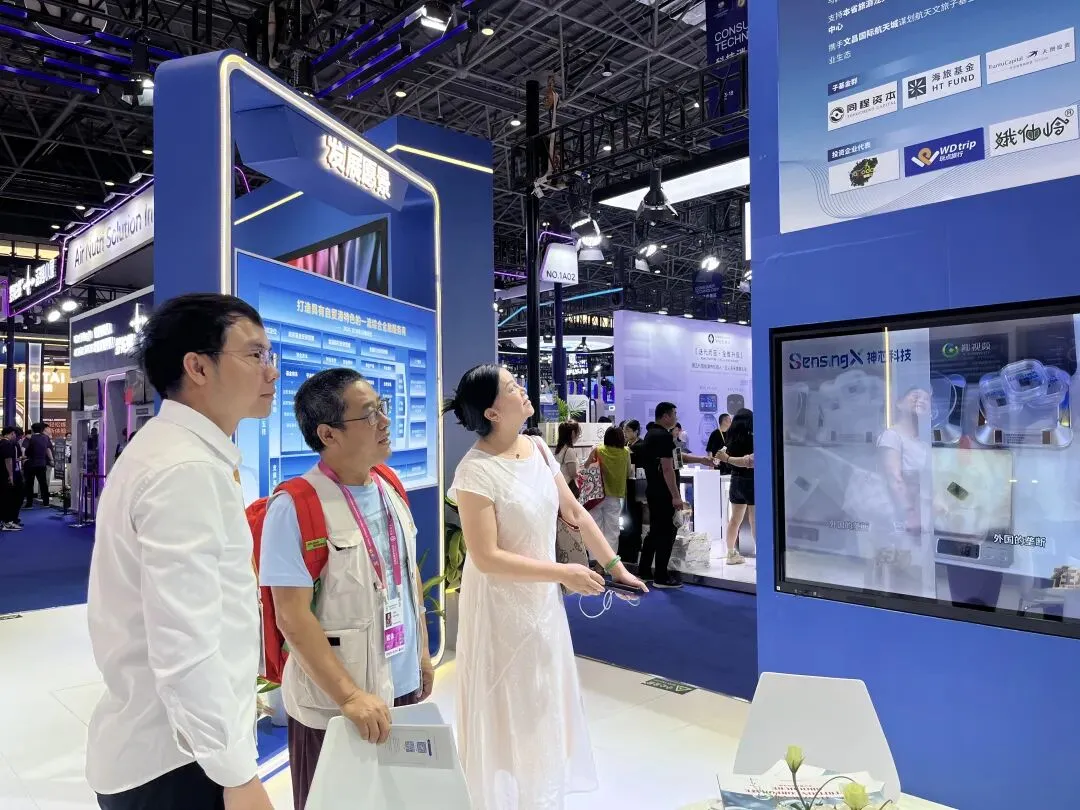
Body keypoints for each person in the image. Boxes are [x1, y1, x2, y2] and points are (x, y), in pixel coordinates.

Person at [86, 293, 279, 810]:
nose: (272, 371)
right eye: (255, 354)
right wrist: (236, 774)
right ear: (198, 367)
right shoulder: (183, 469)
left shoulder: (176, 453)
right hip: (177, 764)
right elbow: (185, 644)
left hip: (174, 750)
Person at [445, 364, 646, 810]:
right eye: (512, 386)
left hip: (540, 600)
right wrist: (561, 572)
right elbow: (486, 557)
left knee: (542, 699)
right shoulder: (474, 471)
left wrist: (615, 567)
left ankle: (541, 795)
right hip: (499, 606)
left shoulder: (537, 447)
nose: (523, 389)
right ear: (492, 412)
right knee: (509, 701)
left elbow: (574, 512)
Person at [260, 368, 433, 810]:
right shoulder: (295, 506)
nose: (385, 422)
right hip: (338, 706)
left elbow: (405, 574)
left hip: (401, 688)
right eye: (369, 413)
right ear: (328, 434)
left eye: (382, 409)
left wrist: (421, 654)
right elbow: (292, 616)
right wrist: (350, 696)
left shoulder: (389, 485)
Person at [638, 403, 718, 588]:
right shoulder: (664, 437)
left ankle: (644, 571)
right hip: (664, 492)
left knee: (655, 531)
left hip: (654, 490)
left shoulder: (651, 435)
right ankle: (661, 577)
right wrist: (675, 496)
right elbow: (668, 468)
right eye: (674, 414)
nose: (676, 417)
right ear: (665, 416)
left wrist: (701, 459)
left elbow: (675, 458)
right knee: (667, 533)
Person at [715, 408, 755, 565]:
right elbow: (750, 462)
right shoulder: (753, 437)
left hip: (735, 480)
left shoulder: (730, 437)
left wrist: (726, 459)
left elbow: (724, 458)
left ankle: (731, 553)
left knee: (734, 520)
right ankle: (763, 557)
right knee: (754, 521)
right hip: (751, 480)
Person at [585, 426, 632, 552]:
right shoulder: (626, 452)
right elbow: (629, 472)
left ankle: (596, 558)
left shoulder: (598, 450)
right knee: (612, 530)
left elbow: (586, 467)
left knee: (596, 528)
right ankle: (610, 560)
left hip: (596, 494)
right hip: (615, 495)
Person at [23, 422, 53, 508]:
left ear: (32, 430)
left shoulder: (30, 438)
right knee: (43, 483)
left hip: (31, 463)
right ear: (42, 430)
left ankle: (29, 504)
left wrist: (25, 457)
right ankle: (46, 502)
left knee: (29, 484)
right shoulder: (46, 438)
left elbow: (26, 450)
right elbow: (48, 449)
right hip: (42, 463)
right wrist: (51, 460)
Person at [0, 426, 21, 531]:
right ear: (12, 433)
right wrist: (11, 475)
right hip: (5, 475)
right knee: (8, 499)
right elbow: (8, 460)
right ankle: (7, 522)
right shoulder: (7, 444)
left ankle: (6, 521)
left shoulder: (1, 443)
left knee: (4, 498)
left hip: (2, 475)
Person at [553, 420, 581, 494]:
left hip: (560, 487)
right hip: (568, 488)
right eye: (578, 432)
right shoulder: (569, 450)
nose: (579, 435)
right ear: (573, 433)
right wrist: (580, 473)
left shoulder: (560, 449)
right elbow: (572, 473)